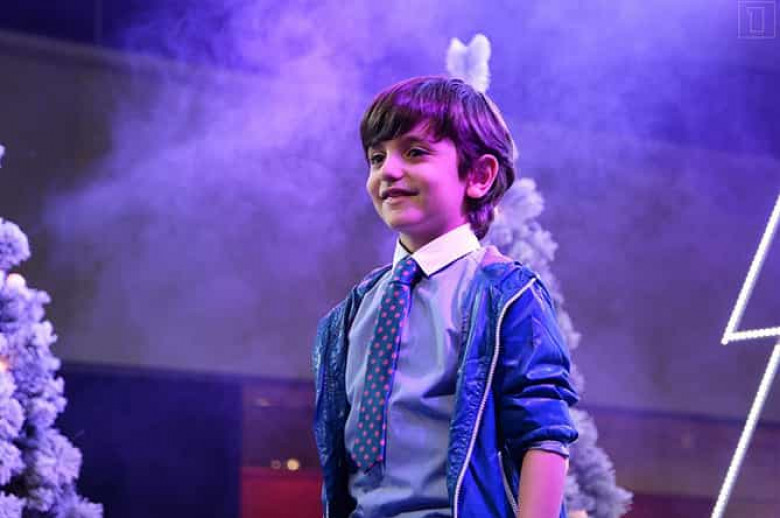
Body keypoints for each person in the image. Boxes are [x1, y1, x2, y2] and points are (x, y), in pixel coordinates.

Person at [313, 76, 579, 518]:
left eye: (414, 152)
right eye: (377, 158)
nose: (388, 171)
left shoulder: (506, 295)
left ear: (479, 175)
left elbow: (543, 437)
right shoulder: (353, 312)